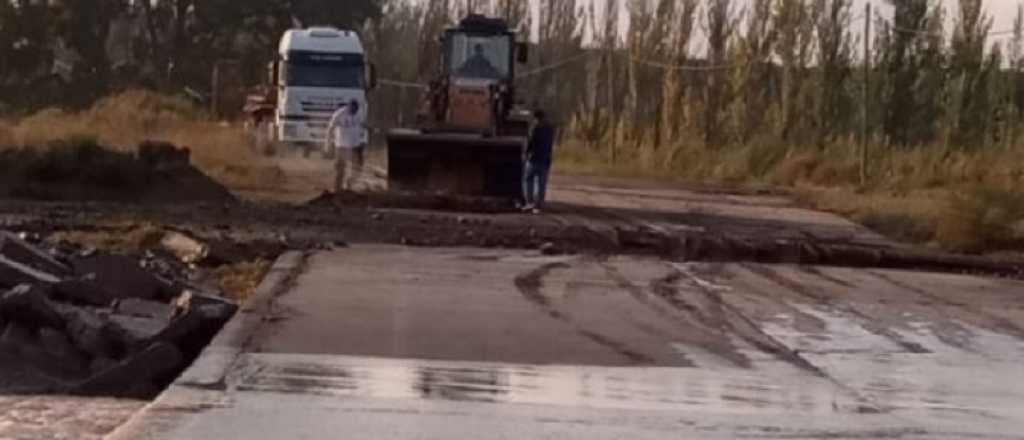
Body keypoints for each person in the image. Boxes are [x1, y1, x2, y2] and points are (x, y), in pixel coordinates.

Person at [325, 99, 367, 192]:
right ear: (348, 107)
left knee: (358, 167)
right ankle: (337, 188)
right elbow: (330, 128)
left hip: (355, 145)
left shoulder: (359, 113)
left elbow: (363, 125)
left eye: (355, 111)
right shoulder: (339, 114)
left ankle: (350, 183)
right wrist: (328, 144)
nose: (354, 112)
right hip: (341, 145)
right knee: (340, 169)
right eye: (352, 110)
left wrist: (364, 139)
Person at [522, 110, 555, 213]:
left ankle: (529, 202)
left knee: (528, 180)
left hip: (533, 158)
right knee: (541, 183)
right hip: (545, 159)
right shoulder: (550, 129)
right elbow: (550, 144)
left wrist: (525, 153)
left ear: (536, 118)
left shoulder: (534, 128)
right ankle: (538, 206)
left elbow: (530, 142)